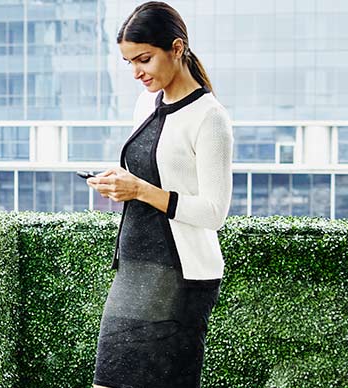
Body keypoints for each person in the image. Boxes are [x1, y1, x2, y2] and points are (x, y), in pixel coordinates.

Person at [85, 2, 233, 387]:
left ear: (177, 48)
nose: (136, 72)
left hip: (181, 274)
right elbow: (150, 178)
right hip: (135, 267)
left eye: (144, 59)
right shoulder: (145, 104)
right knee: (108, 379)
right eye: (129, 62)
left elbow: (214, 211)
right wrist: (121, 183)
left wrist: (143, 190)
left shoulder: (209, 117)